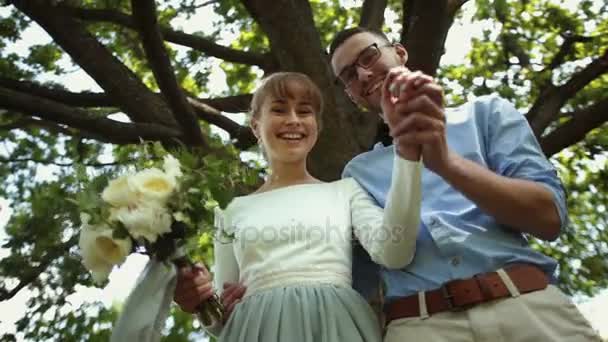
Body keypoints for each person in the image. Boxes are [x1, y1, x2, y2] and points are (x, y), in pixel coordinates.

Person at [327, 27, 600, 341]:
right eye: (348, 75)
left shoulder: (486, 115)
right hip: (421, 326)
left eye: (369, 55)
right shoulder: (356, 174)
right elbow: (355, 278)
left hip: (529, 309)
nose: (362, 73)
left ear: (399, 52)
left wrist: (446, 163)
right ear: (349, 93)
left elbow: (549, 218)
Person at [175, 71, 423, 342]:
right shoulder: (229, 211)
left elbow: (394, 252)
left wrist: (408, 158)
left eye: (304, 112)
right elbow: (223, 320)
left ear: (316, 126)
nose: (293, 120)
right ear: (256, 126)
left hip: (337, 328)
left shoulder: (345, 192)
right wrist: (200, 303)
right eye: (279, 110)